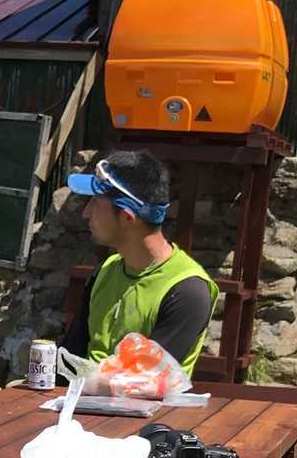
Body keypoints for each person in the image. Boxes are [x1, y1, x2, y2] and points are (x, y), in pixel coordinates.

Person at [60, 149, 217, 377]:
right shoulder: (106, 270)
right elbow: (68, 362)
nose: (86, 213)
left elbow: (142, 381)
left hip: (139, 401)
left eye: (95, 202)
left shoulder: (187, 291)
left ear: (127, 217)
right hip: (84, 397)